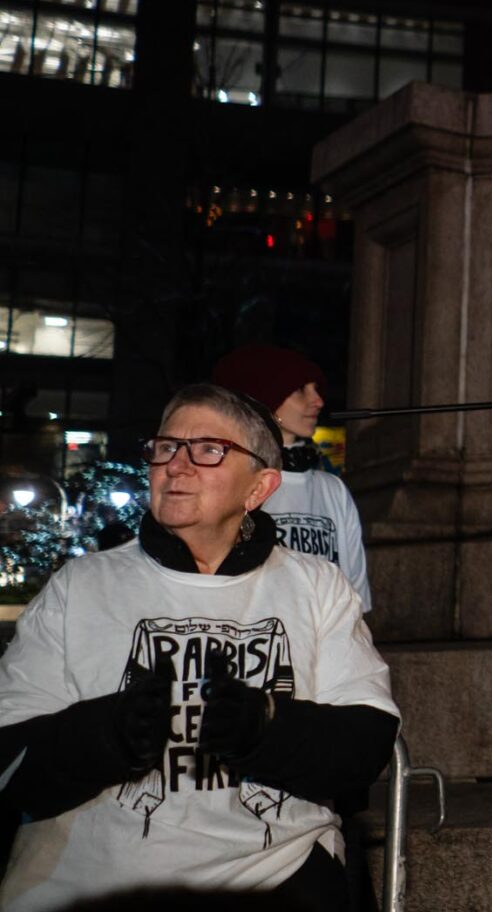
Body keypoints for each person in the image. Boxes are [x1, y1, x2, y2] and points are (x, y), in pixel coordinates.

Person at [0, 384, 398, 911]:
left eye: (209, 450)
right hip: (94, 886)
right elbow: (9, 764)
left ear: (259, 487)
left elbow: (364, 745)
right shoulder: (81, 586)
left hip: (272, 878)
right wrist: (103, 735)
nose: (176, 466)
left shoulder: (317, 586)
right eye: (165, 447)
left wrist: (268, 729)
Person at [211, 345, 371, 612]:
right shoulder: (236, 484)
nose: (318, 401)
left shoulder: (333, 490)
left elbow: (354, 595)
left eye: (316, 389)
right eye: (300, 390)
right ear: (265, 400)